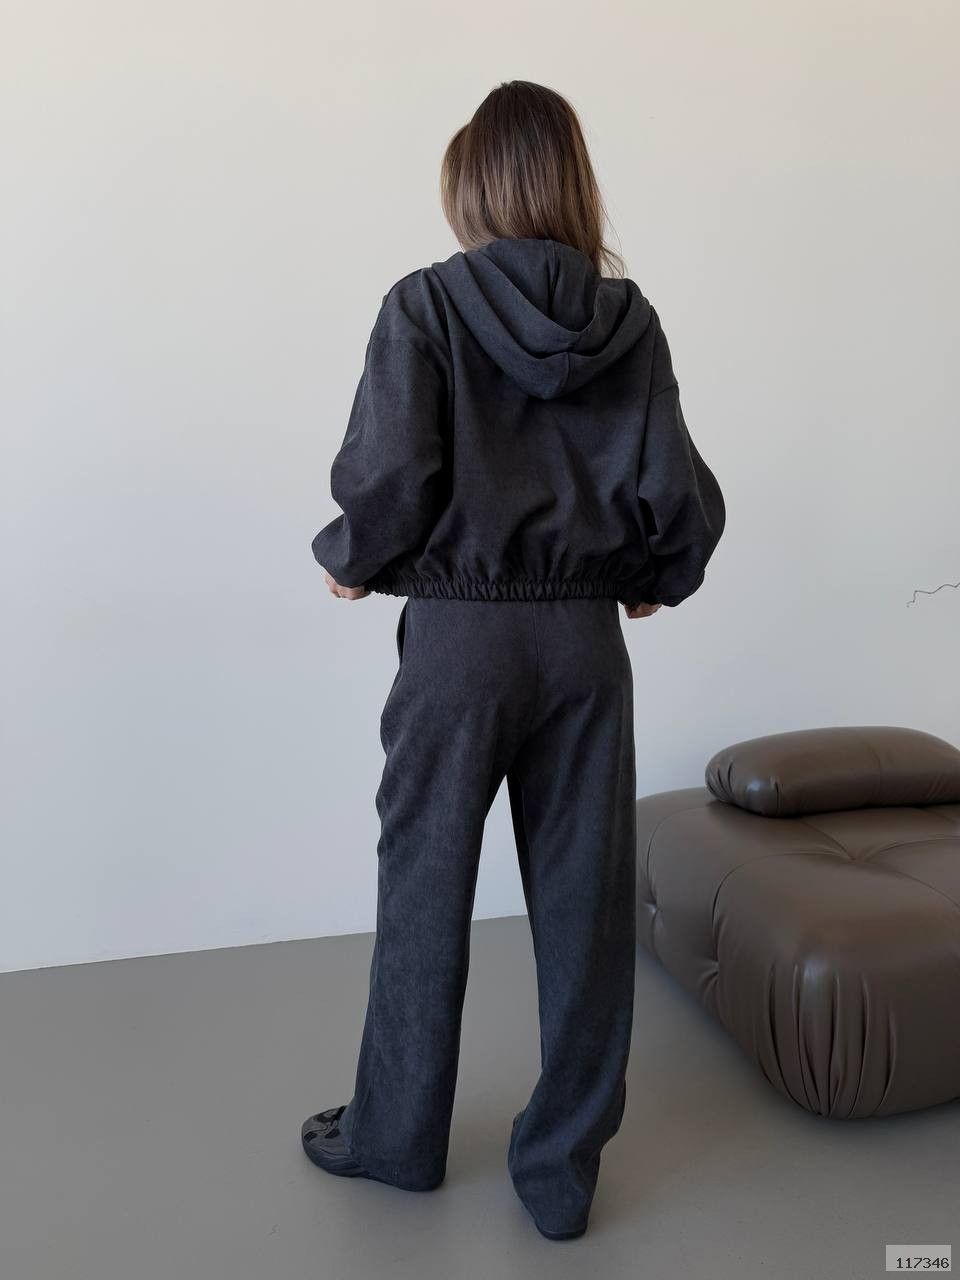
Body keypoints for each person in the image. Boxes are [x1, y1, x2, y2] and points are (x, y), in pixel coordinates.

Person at [302, 79, 726, 1241]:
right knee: (588, 905)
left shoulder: (425, 304)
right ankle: (561, 1170)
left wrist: (354, 557)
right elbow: (675, 486)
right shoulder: (629, 321)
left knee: (424, 882)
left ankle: (395, 1136)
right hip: (583, 644)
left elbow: (393, 471)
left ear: (474, 190)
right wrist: (657, 570)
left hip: (458, 641)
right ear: (573, 183)